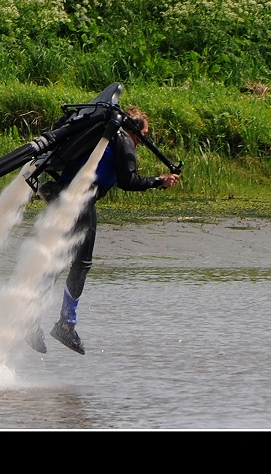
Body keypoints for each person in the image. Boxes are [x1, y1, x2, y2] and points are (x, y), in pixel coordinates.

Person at [30, 106, 180, 355]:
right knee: (81, 263)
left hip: (61, 194)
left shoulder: (104, 137)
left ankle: (30, 320)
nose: (142, 142)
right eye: (143, 134)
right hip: (80, 199)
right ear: (136, 130)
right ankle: (66, 324)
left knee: (57, 260)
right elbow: (128, 180)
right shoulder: (122, 138)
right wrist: (158, 181)